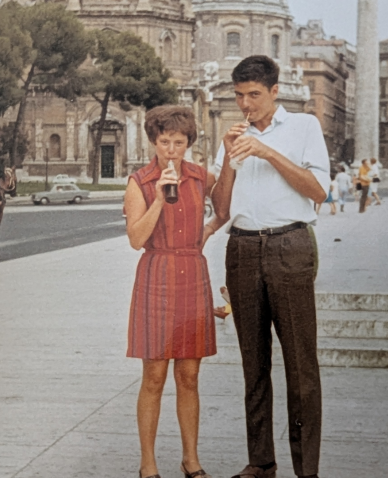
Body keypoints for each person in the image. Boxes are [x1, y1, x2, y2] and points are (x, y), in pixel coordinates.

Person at [211, 55, 329, 478]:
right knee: (252, 363)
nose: (245, 104)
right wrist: (228, 158)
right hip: (241, 250)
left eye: (254, 95)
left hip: (290, 245)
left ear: (274, 92)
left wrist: (266, 151)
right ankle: (260, 461)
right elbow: (221, 207)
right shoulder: (232, 135)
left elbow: (317, 190)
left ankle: (306, 468)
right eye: (239, 96)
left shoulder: (303, 128)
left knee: (301, 365)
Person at [124, 105, 227, 478]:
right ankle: (148, 463)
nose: (171, 150)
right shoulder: (141, 180)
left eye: (179, 142)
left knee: (189, 376)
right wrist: (158, 198)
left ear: (189, 143)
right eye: (164, 141)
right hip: (156, 275)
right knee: (153, 375)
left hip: (192, 274)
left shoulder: (201, 177)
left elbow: (225, 208)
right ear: (153, 141)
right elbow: (136, 238)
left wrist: (210, 229)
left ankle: (191, 459)